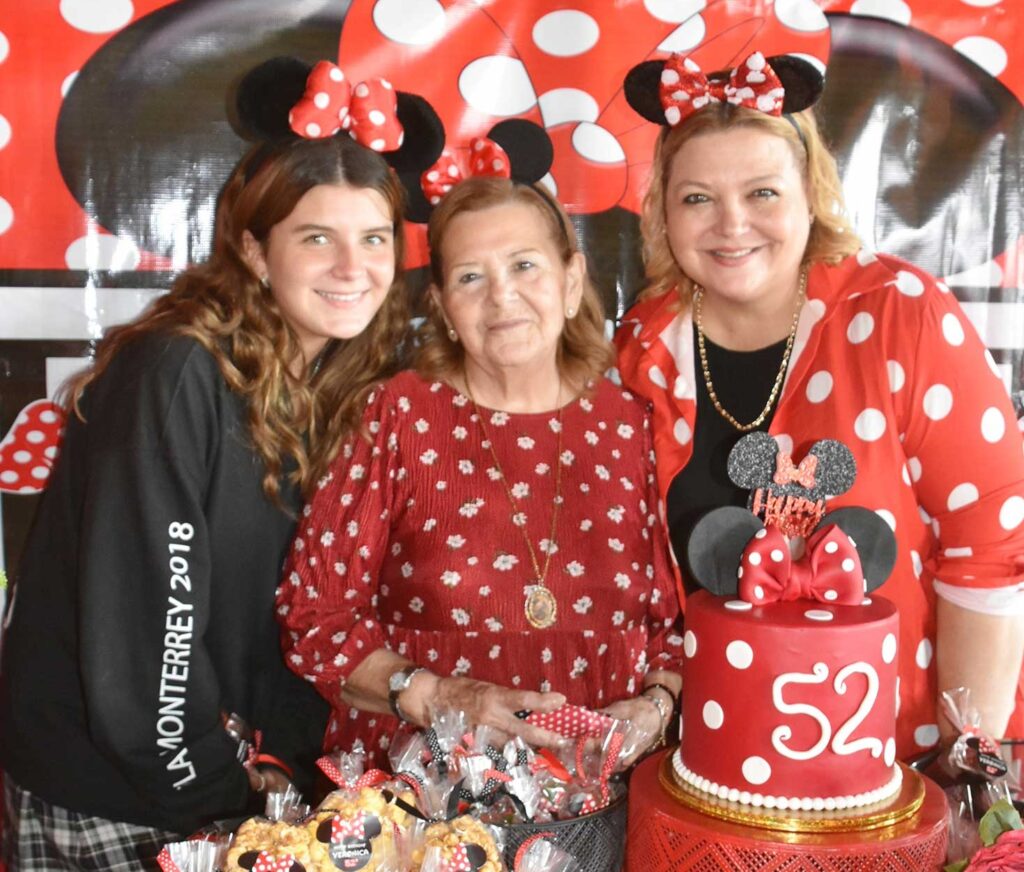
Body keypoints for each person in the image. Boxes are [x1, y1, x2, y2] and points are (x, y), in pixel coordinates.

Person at [0, 126, 424, 868]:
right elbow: (142, 629)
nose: (354, 268)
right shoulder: (177, 373)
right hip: (118, 797)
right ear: (257, 253)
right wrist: (219, 788)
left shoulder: (336, 388)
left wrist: (278, 771)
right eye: (317, 238)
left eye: (375, 238)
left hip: (224, 792)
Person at [616, 51, 1024, 759]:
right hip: (715, 764)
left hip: (902, 767)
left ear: (811, 191)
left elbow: (989, 554)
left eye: (763, 193)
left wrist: (965, 769)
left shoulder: (901, 317)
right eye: (697, 198)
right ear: (663, 210)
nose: (730, 224)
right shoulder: (643, 349)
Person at [276, 176, 684, 766]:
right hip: (420, 801)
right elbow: (315, 615)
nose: (502, 297)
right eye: (471, 277)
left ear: (571, 282)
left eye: (524, 265)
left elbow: (674, 626)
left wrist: (657, 705)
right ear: (442, 308)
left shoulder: (634, 423)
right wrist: (442, 696)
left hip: (604, 793)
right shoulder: (398, 415)